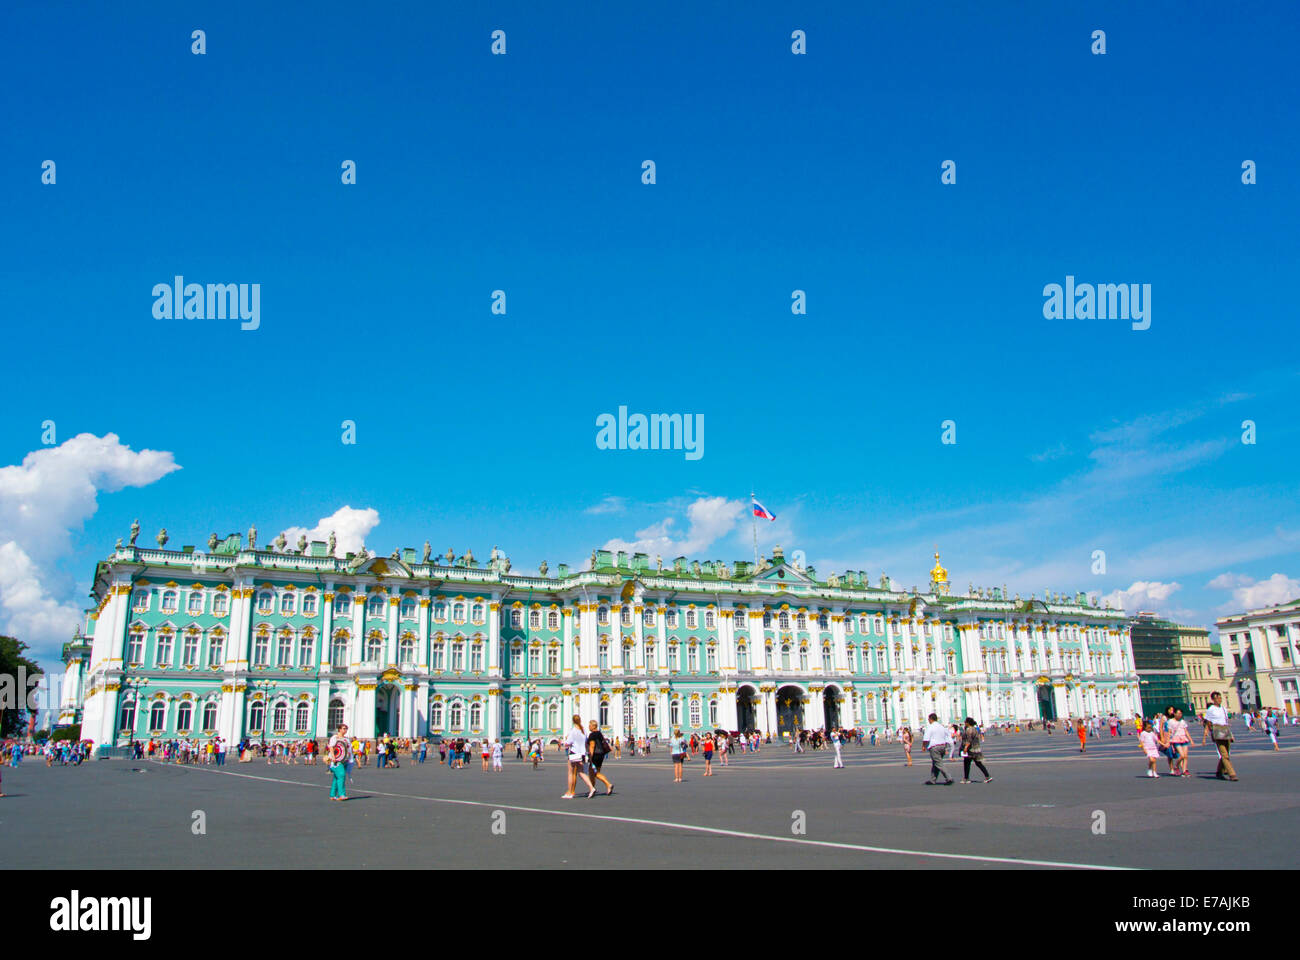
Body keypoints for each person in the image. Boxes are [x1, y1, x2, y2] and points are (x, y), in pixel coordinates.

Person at [1202, 691, 1238, 781]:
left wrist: (1231, 734)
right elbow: (1207, 722)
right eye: (1217, 698)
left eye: (1220, 698)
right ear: (1213, 699)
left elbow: (1226, 722)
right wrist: (1208, 734)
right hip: (1217, 730)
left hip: (1225, 730)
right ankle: (1232, 774)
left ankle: (1219, 771)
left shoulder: (1223, 708)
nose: (1219, 700)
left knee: (1226, 753)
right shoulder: (1211, 709)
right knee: (1224, 754)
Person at [562, 715, 595, 799]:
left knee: (571, 773)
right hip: (582, 753)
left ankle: (569, 792)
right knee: (581, 772)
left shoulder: (573, 731)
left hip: (574, 753)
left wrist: (565, 741)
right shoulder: (583, 730)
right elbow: (586, 742)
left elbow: (567, 743)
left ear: (573, 721)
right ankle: (591, 788)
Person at [922, 714, 953, 785]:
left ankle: (949, 778)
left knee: (938, 763)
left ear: (931, 719)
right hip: (942, 746)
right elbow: (947, 736)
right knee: (935, 763)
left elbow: (926, 738)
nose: (928, 720)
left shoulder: (930, 727)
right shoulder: (941, 726)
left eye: (928, 719)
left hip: (934, 747)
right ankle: (933, 780)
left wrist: (923, 746)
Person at [585, 721, 614, 795]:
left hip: (595, 755)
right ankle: (592, 789)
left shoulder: (592, 735)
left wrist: (590, 757)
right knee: (593, 773)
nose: (589, 727)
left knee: (595, 773)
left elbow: (592, 746)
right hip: (601, 754)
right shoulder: (599, 733)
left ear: (593, 726)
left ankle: (608, 784)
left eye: (590, 725)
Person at [960, 717, 992, 783]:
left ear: (968, 723)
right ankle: (987, 776)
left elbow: (969, 740)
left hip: (970, 749)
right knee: (978, 763)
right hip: (976, 748)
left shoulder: (969, 730)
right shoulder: (974, 729)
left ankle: (966, 778)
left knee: (967, 763)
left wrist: (965, 747)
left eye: (965, 722)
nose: (964, 723)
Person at [328, 724, 352, 800]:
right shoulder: (335, 738)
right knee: (341, 775)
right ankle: (342, 795)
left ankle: (332, 795)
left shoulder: (347, 739)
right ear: (339, 729)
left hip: (345, 760)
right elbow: (331, 747)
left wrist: (351, 759)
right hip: (337, 760)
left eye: (346, 729)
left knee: (336, 777)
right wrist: (333, 757)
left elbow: (349, 749)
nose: (345, 730)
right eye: (344, 728)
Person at [1168, 708, 1191, 776]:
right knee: (1182, 755)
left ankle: (1184, 770)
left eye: (1180, 713)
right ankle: (1176, 766)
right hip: (1176, 739)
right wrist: (1168, 741)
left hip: (1183, 738)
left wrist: (1191, 740)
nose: (1179, 715)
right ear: (1174, 714)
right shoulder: (1171, 721)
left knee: (1185, 756)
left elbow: (1186, 731)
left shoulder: (1182, 721)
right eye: (1178, 713)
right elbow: (1169, 732)